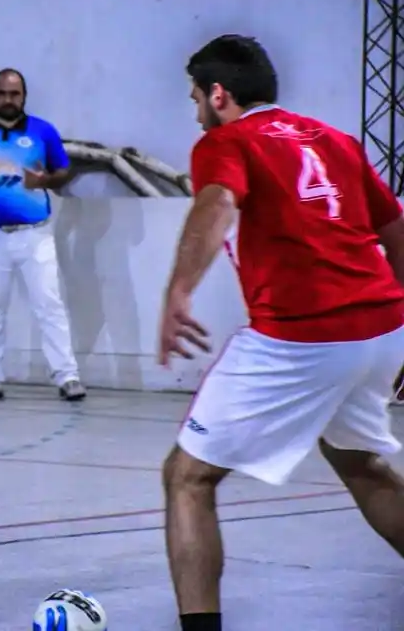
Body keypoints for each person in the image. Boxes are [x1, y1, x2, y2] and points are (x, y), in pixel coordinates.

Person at [157, 34, 404, 631]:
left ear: (219, 95)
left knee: (187, 476)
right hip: (380, 327)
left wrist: (179, 289)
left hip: (302, 337)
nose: (195, 113)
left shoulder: (227, 140)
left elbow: (216, 203)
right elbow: (394, 226)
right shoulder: (334, 139)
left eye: (195, 99)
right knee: (362, 464)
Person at [0, 68, 87, 402]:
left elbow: (65, 170)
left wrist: (47, 181)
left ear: (24, 96)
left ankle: (67, 377)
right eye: (2, 94)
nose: (8, 100)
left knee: (49, 307)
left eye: (15, 94)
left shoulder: (43, 132)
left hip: (36, 237)